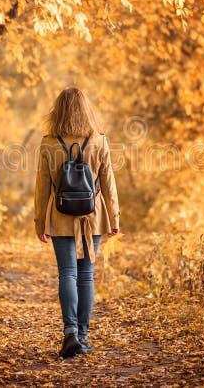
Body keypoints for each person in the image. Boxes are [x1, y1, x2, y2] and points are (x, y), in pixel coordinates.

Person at [34, 87, 120, 359]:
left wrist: (40, 223)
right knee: (85, 275)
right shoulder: (99, 141)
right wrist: (115, 219)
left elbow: (42, 188)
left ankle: (70, 333)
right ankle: (82, 336)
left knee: (67, 274)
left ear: (58, 111)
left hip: (60, 217)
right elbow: (108, 184)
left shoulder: (48, 143)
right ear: (86, 110)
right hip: (92, 216)